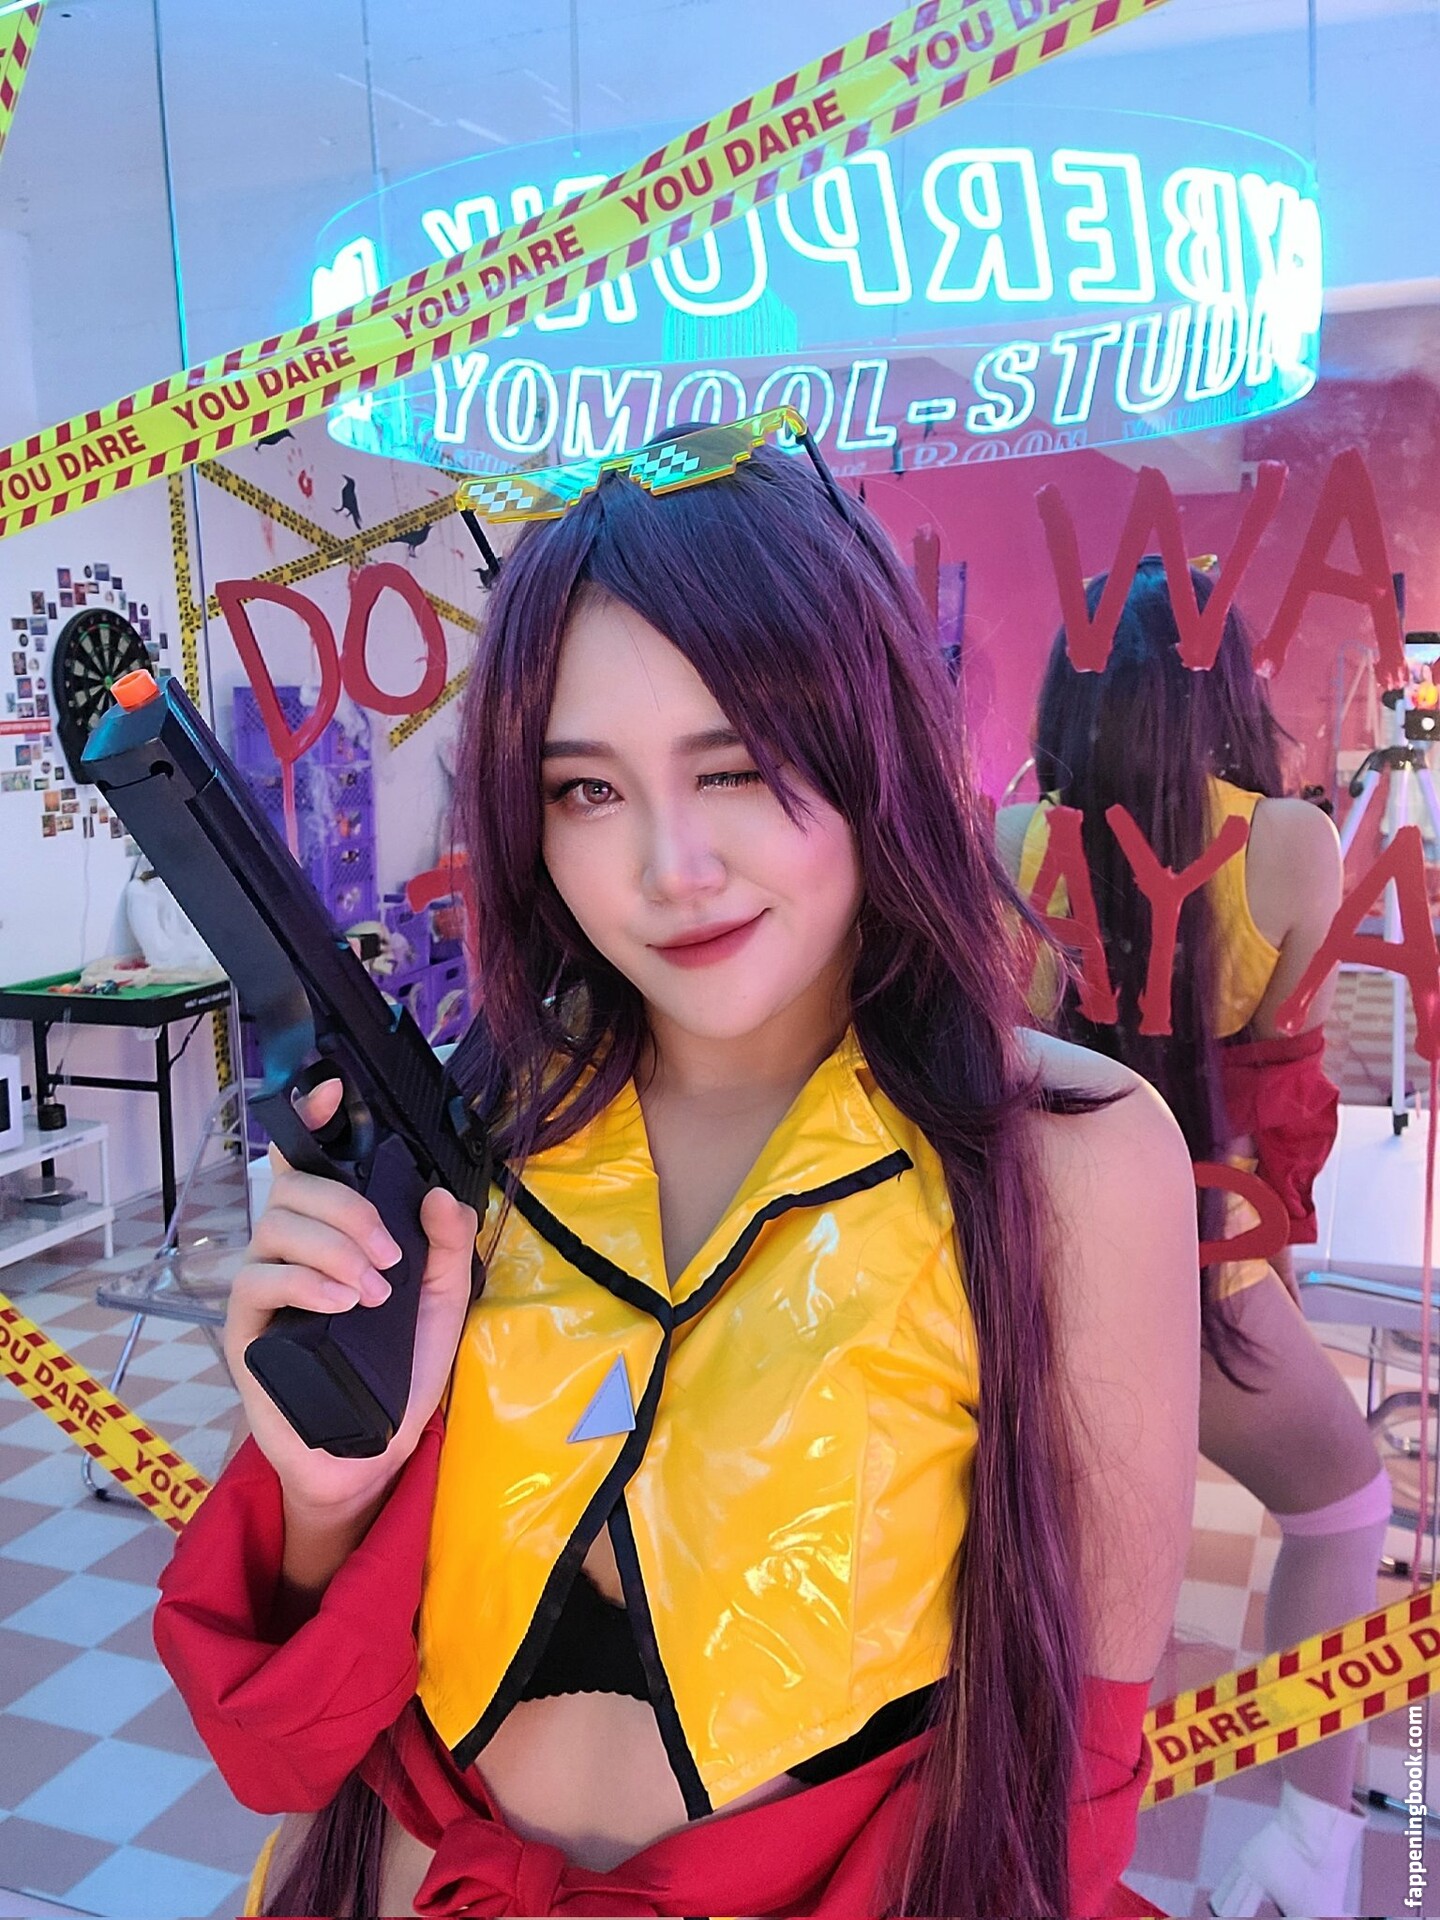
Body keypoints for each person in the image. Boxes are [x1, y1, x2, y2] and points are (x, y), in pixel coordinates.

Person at [154, 415, 1200, 1919]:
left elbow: (1071, 1771)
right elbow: (290, 1749)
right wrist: (327, 1492)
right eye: (585, 790)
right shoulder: (482, 1123)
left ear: (876, 746)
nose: (671, 868)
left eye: (738, 767)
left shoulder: (1062, 1158)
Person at [996, 558, 1392, 1920]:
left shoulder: (1011, 837)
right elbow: (1285, 1095)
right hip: (1203, 1242)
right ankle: (1311, 1837)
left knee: (1058, 1556)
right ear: (1226, 685)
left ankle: (1022, 1832)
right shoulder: (1293, 843)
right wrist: (1269, 1257)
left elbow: (1004, 1065)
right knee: (1344, 1505)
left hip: (1036, 1240)